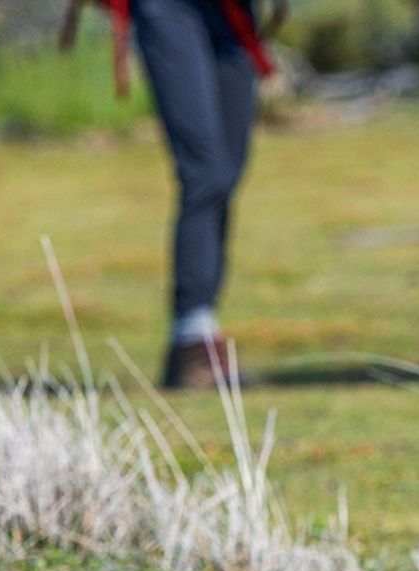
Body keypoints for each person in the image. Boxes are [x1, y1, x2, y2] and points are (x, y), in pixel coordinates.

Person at [104, 0, 277, 389]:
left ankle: (198, 332)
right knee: (205, 173)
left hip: (232, 15)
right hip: (169, 8)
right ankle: (193, 339)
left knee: (228, 170)